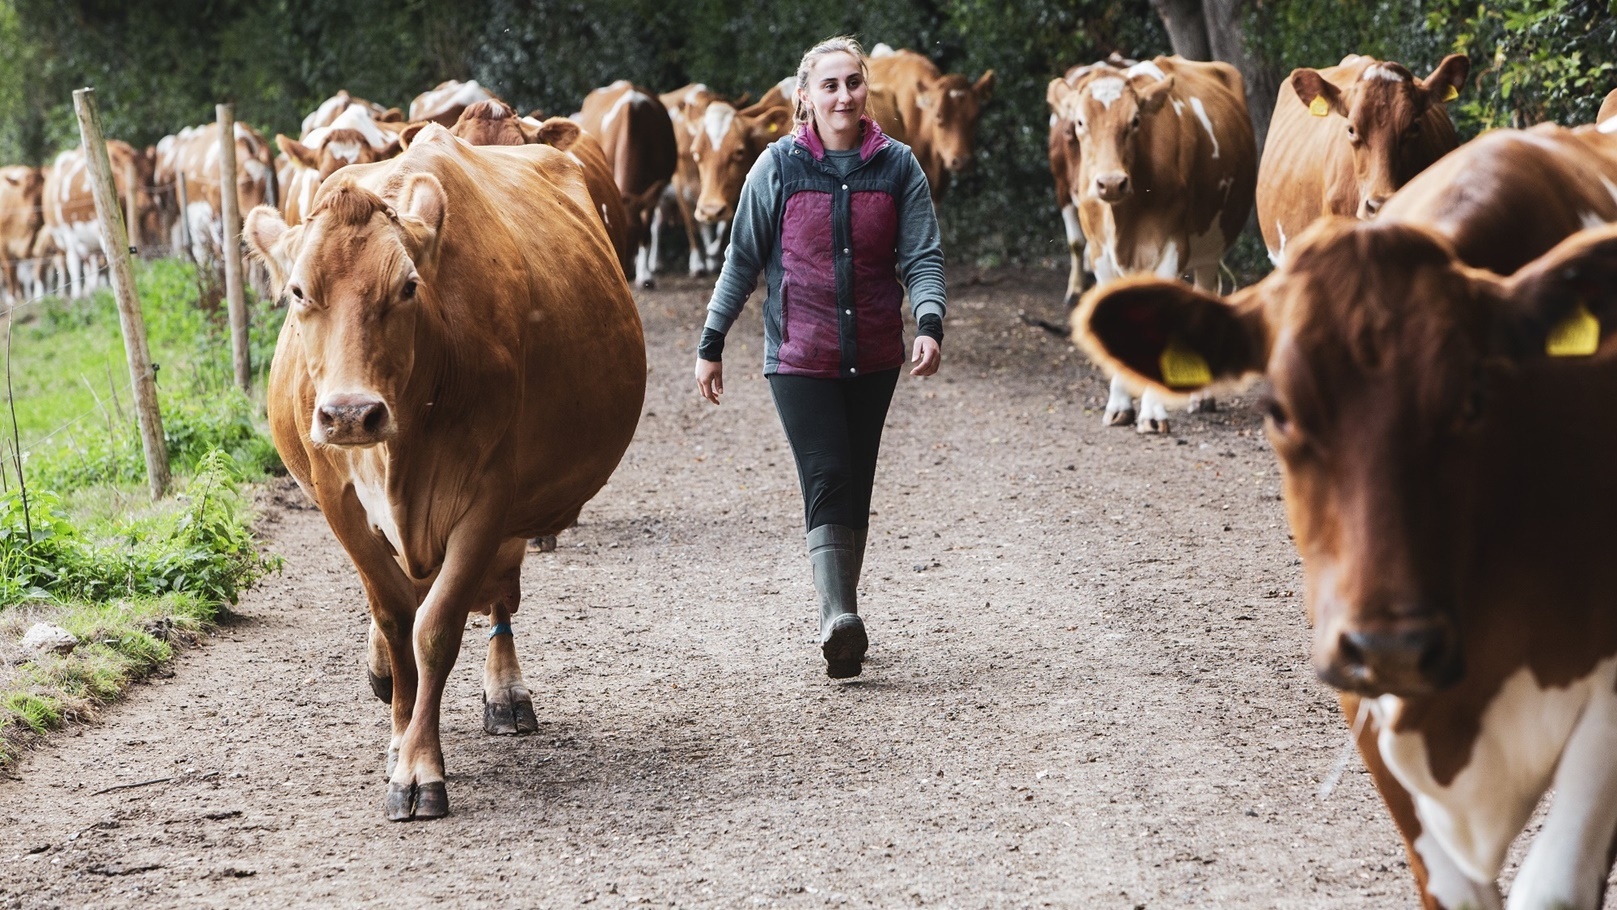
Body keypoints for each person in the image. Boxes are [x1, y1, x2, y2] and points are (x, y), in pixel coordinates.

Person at [694, 35, 946, 679]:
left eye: (853, 83)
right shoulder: (776, 167)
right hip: (799, 356)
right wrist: (712, 340)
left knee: (856, 479)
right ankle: (838, 615)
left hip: (875, 356)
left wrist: (928, 319)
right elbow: (742, 261)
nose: (843, 95)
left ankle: (844, 614)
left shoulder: (898, 168)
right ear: (804, 97)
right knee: (828, 472)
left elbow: (921, 256)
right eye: (829, 85)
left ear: (867, 90)